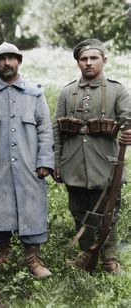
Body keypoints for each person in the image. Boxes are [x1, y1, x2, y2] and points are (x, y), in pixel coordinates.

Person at [0, 42, 54, 278]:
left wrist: (45, 159)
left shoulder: (34, 93)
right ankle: (3, 252)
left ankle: (33, 259)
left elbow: (45, 129)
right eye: (2, 59)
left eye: (12, 58)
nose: (7, 63)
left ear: (19, 61)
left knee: (32, 209)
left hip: (29, 166)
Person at [52, 38, 131, 274]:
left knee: (110, 213)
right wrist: (56, 162)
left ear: (104, 60)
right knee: (79, 211)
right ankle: (86, 254)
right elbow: (56, 129)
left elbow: (128, 120)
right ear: (78, 62)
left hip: (106, 164)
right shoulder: (67, 92)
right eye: (83, 59)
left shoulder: (117, 90)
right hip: (74, 163)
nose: (88, 63)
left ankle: (109, 259)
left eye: (93, 58)